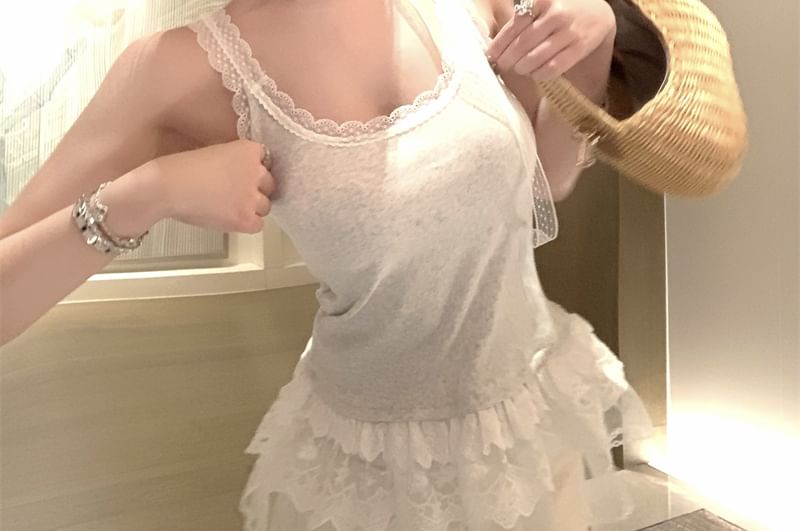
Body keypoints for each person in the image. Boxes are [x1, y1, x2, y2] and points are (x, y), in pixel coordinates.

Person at [0, 0, 655, 529]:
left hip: (528, 426)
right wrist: (148, 193)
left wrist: (595, 43)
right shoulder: (177, 68)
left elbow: (544, 179)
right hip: (371, 475)